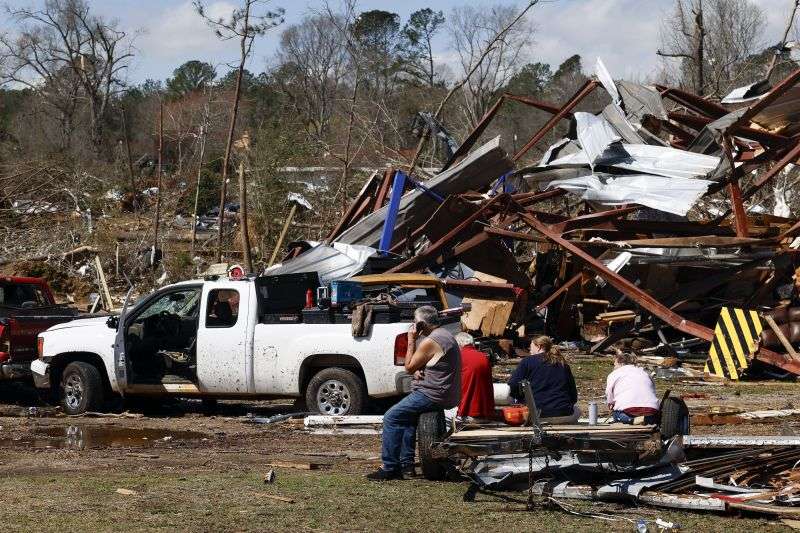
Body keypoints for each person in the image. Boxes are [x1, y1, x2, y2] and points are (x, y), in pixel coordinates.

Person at [366, 306, 461, 481]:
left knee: (391, 417)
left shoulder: (432, 340)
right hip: (443, 391)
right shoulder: (445, 335)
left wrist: (411, 340)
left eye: (414, 322)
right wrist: (420, 369)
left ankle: (389, 467)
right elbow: (430, 362)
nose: (412, 325)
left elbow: (409, 366)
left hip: (432, 393)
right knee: (407, 419)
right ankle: (406, 466)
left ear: (421, 324)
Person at [508, 335, 579, 422]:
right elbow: (573, 395)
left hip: (536, 414)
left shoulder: (527, 362)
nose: (530, 351)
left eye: (531, 347)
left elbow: (513, 385)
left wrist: (520, 399)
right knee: (577, 410)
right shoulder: (562, 363)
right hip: (564, 412)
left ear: (539, 347)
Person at [606, 351, 660, 424]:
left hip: (629, 408)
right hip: (651, 408)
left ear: (620, 363)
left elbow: (609, 392)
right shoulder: (644, 372)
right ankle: (648, 419)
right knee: (652, 417)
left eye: (615, 365)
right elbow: (652, 388)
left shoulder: (614, 374)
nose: (614, 367)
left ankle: (632, 420)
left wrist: (610, 403)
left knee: (616, 415)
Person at [455, 332, 495, 421]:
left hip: (467, 413)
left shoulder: (459, 356)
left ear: (459, 344)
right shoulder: (483, 356)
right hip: (486, 413)